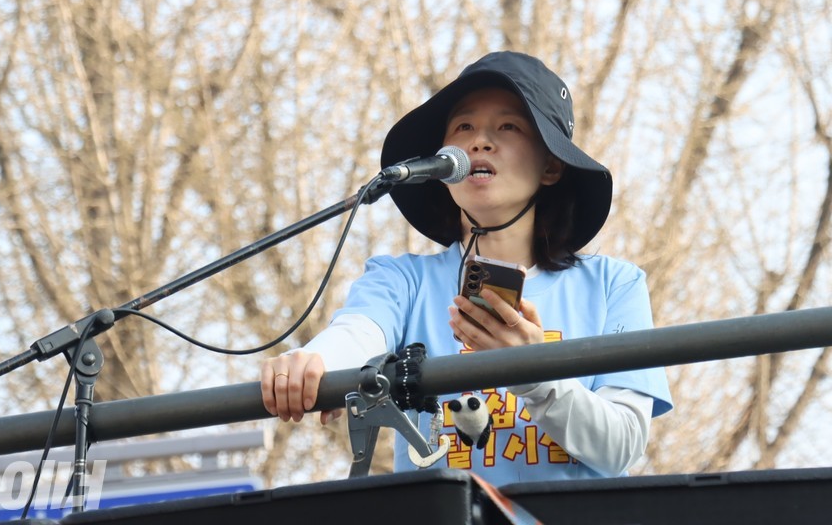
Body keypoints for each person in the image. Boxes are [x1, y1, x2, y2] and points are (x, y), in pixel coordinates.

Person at [260, 51, 673, 485]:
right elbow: (357, 333)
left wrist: (535, 374)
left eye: (508, 126)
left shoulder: (614, 285)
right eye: (463, 127)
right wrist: (312, 361)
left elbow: (623, 445)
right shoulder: (402, 280)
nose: (479, 142)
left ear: (551, 165)